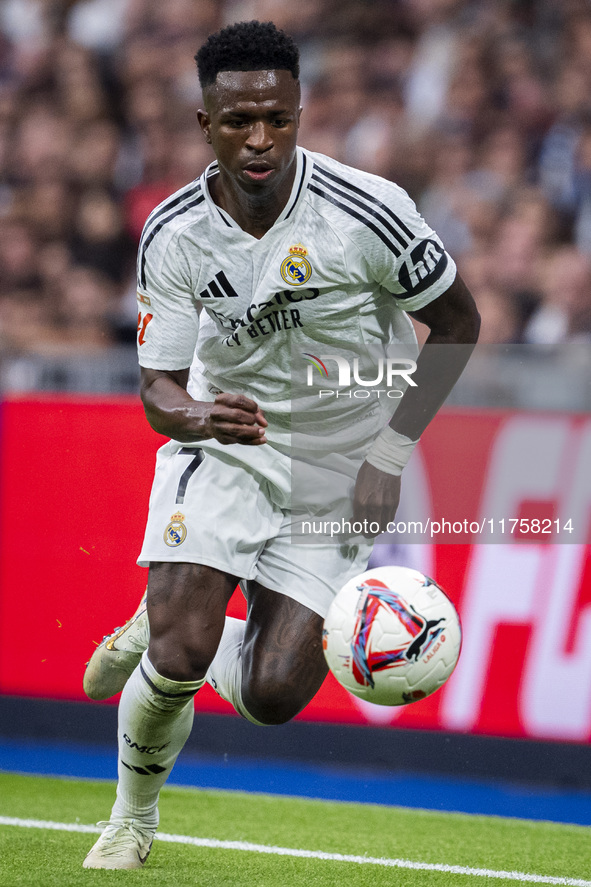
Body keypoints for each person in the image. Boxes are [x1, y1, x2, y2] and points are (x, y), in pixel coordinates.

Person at [83, 20, 480, 870]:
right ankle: (130, 817)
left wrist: (391, 451)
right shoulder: (175, 233)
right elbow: (157, 389)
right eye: (238, 122)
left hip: (343, 461)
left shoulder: (366, 212)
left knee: (269, 694)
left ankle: (151, 629)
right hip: (227, 441)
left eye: (276, 118)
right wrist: (196, 417)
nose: (259, 139)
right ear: (205, 123)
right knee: (183, 649)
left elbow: (457, 323)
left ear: (299, 111)